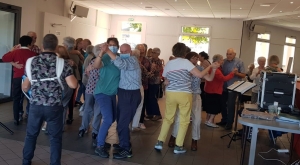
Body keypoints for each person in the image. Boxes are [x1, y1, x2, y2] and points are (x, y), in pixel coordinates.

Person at [22, 34, 77, 165]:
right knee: (55, 138)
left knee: (31, 135)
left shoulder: (31, 62)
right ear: (57, 47)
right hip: (54, 106)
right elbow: (73, 85)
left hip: (35, 105)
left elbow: (25, 87)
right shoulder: (63, 64)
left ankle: (26, 161)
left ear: (42, 46)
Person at [154, 42, 219, 154]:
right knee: (184, 120)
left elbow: (165, 78)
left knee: (168, 118)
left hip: (170, 93)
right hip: (184, 93)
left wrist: (167, 81)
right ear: (185, 52)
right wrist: (210, 66)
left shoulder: (170, 63)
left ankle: (159, 142)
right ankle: (178, 146)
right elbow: (199, 75)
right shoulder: (186, 63)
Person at [168, 52, 217, 151]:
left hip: (195, 95)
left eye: (196, 58)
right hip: (184, 94)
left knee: (197, 119)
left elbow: (210, 78)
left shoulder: (199, 68)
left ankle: (195, 140)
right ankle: (173, 136)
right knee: (179, 118)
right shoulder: (183, 68)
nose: (195, 60)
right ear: (188, 59)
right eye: (193, 58)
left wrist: (214, 70)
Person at [100, 43, 141, 159]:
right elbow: (111, 63)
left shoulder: (133, 60)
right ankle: (124, 143)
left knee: (123, 122)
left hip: (130, 94)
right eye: (121, 51)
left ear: (131, 52)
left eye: (125, 51)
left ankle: (126, 149)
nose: (123, 53)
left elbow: (120, 63)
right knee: (121, 120)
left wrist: (107, 50)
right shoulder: (123, 59)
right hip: (124, 93)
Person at [93, 38, 120, 158]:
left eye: (114, 45)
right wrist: (101, 53)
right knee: (108, 118)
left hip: (112, 93)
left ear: (117, 47)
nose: (112, 47)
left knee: (112, 117)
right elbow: (96, 65)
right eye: (110, 45)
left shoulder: (118, 58)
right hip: (102, 92)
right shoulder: (104, 57)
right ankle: (99, 146)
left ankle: (101, 139)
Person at [2, 36, 36, 125]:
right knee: (30, 98)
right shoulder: (33, 54)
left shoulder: (16, 52)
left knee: (16, 99)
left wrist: (12, 51)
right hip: (29, 79)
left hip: (17, 77)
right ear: (30, 44)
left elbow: (4, 58)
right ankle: (31, 117)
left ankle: (16, 118)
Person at [216, 48, 245, 130]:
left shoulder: (239, 62)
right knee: (222, 104)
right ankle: (224, 120)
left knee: (230, 105)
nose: (228, 56)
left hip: (233, 87)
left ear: (234, 54)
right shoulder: (223, 61)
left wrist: (236, 73)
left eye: (230, 54)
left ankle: (229, 123)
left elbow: (243, 75)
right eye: (227, 54)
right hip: (224, 86)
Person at [204, 54, 236, 128]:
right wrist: (232, 73)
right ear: (218, 61)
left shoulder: (211, 67)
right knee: (215, 107)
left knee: (210, 106)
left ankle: (207, 120)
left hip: (209, 90)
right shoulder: (216, 70)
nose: (223, 61)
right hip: (214, 90)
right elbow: (223, 79)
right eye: (222, 60)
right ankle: (210, 121)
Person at [78, 45, 102, 139]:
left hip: (90, 88)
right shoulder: (103, 63)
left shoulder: (92, 61)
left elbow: (86, 73)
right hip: (100, 90)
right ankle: (95, 131)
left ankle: (83, 129)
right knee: (97, 111)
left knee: (87, 109)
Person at [63, 37, 82, 124]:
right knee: (71, 98)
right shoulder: (77, 54)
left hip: (66, 78)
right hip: (75, 77)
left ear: (66, 45)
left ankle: (63, 115)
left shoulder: (65, 55)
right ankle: (70, 116)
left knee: (65, 97)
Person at [135, 44, 151, 123]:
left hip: (144, 85)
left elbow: (149, 73)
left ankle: (140, 121)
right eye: (140, 49)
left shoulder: (147, 60)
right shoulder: (133, 59)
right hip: (134, 85)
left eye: (143, 50)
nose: (141, 51)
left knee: (143, 104)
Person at [146, 47, 163, 121]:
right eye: (152, 52)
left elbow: (157, 70)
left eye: (154, 53)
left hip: (155, 82)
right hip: (148, 81)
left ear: (158, 54)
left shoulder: (159, 62)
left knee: (152, 97)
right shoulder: (149, 60)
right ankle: (150, 113)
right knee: (148, 98)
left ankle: (157, 114)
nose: (152, 54)